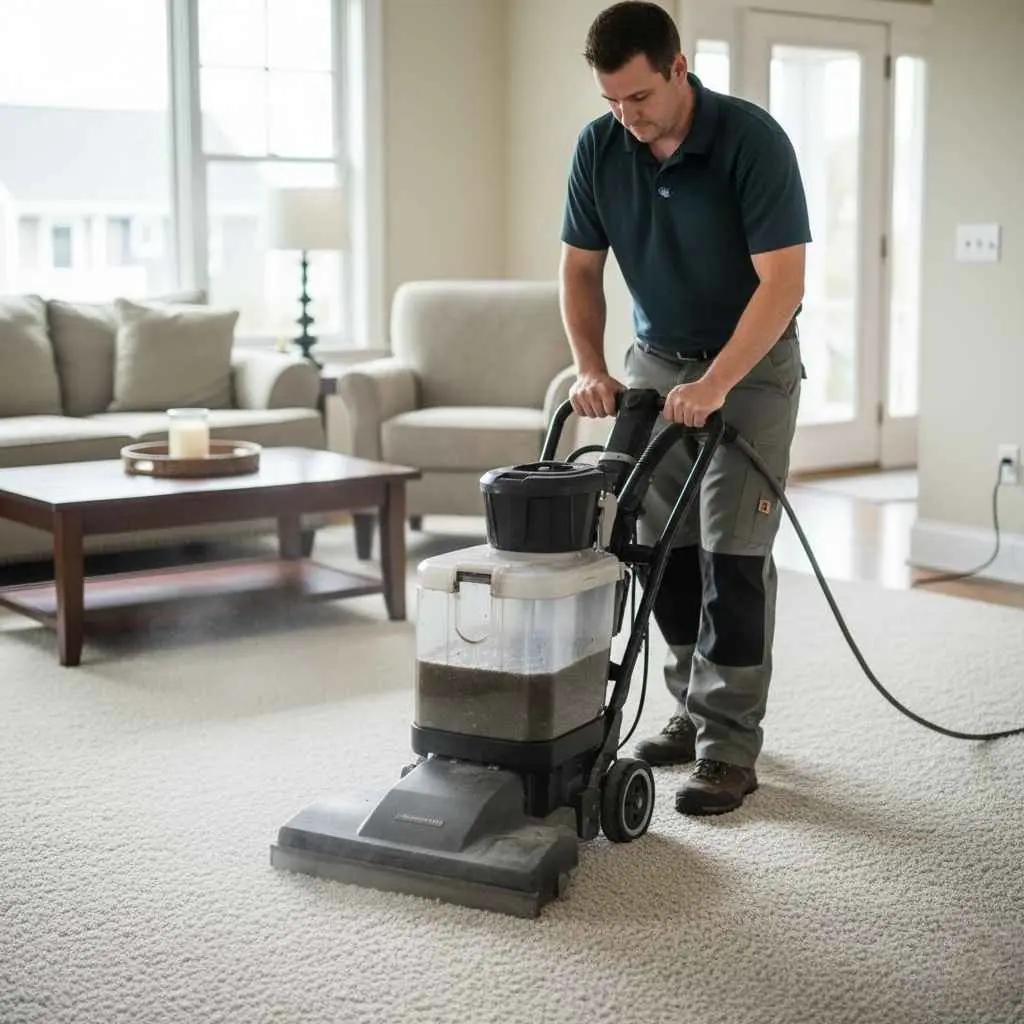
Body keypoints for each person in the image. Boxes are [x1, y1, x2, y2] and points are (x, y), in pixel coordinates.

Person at [560, 1, 810, 815]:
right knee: (658, 543)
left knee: (733, 555)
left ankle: (730, 749)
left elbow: (783, 284)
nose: (626, 117)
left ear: (678, 66)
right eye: (611, 102)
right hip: (656, 360)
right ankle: (686, 708)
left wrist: (718, 384)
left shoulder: (751, 140)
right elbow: (580, 273)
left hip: (754, 365)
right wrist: (590, 366)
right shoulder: (600, 149)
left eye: (639, 97)